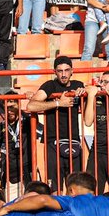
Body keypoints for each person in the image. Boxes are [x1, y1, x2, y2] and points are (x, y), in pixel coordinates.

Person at [27, 56, 85, 187]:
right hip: (53, 142)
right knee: (54, 188)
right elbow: (31, 106)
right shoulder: (50, 85)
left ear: (72, 71)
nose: (63, 74)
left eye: (67, 70)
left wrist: (85, 92)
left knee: (76, 187)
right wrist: (58, 103)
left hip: (73, 141)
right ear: (55, 72)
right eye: (60, 71)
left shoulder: (78, 85)